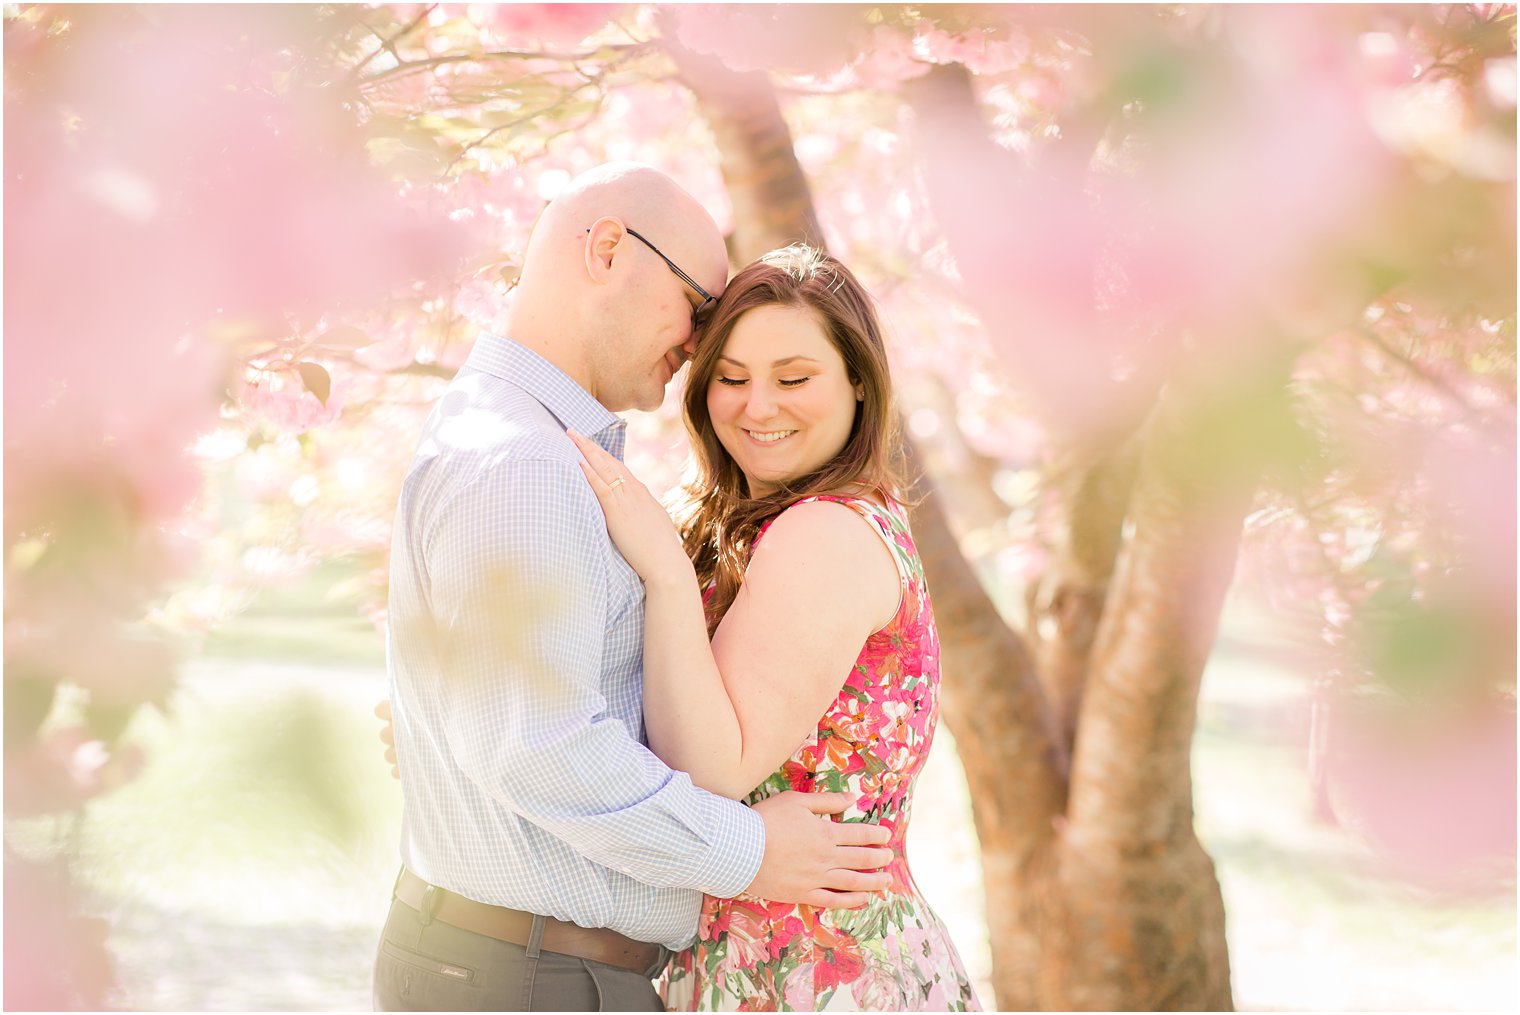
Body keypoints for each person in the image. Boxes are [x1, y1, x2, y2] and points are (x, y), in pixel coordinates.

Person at [373, 163, 895, 1013]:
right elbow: (537, 742)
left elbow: (513, 713)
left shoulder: (523, 439)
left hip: (525, 966)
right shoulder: (528, 463)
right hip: (528, 976)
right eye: (698, 306)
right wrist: (749, 852)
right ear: (610, 249)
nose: (699, 342)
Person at [571, 245, 982, 1011]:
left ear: (859, 381)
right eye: (731, 378)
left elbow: (710, 766)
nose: (758, 406)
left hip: (818, 971)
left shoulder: (824, 532)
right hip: (761, 959)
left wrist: (662, 569)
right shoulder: (761, 527)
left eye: (794, 378)